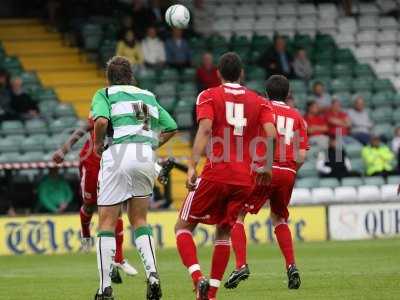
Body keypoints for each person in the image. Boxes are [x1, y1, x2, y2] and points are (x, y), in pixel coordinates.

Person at [174, 52, 277, 300]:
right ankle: (210, 295)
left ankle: (198, 278)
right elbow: (272, 134)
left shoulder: (208, 95)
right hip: (244, 178)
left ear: (218, 73)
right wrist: (268, 165)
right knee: (223, 232)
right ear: (241, 74)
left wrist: (191, 165)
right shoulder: (259, 100)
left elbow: (206, 128)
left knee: (183, 227)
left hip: (215, 172)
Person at [91, 56, 177, 299]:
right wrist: (150, 144)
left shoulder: (105, 94)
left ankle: (105, 288)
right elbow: (171, 126)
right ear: (130, 75)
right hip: (145, 155)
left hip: (117, 153)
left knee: (107, 222)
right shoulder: (148, 95)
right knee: (139, 220)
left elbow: (100, 121)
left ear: (109, 77)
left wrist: (98, 144)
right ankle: (152, 275)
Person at [225, 75, 309, 291]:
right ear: (288, 93)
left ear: (266, 91)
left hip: (264, 169)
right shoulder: (298, 117)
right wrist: (290, 170)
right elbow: (301, 154)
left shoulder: (261, 107)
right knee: (279, 217)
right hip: (288, 172)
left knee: (237, 215)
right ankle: (292, 266)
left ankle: (241, 265)